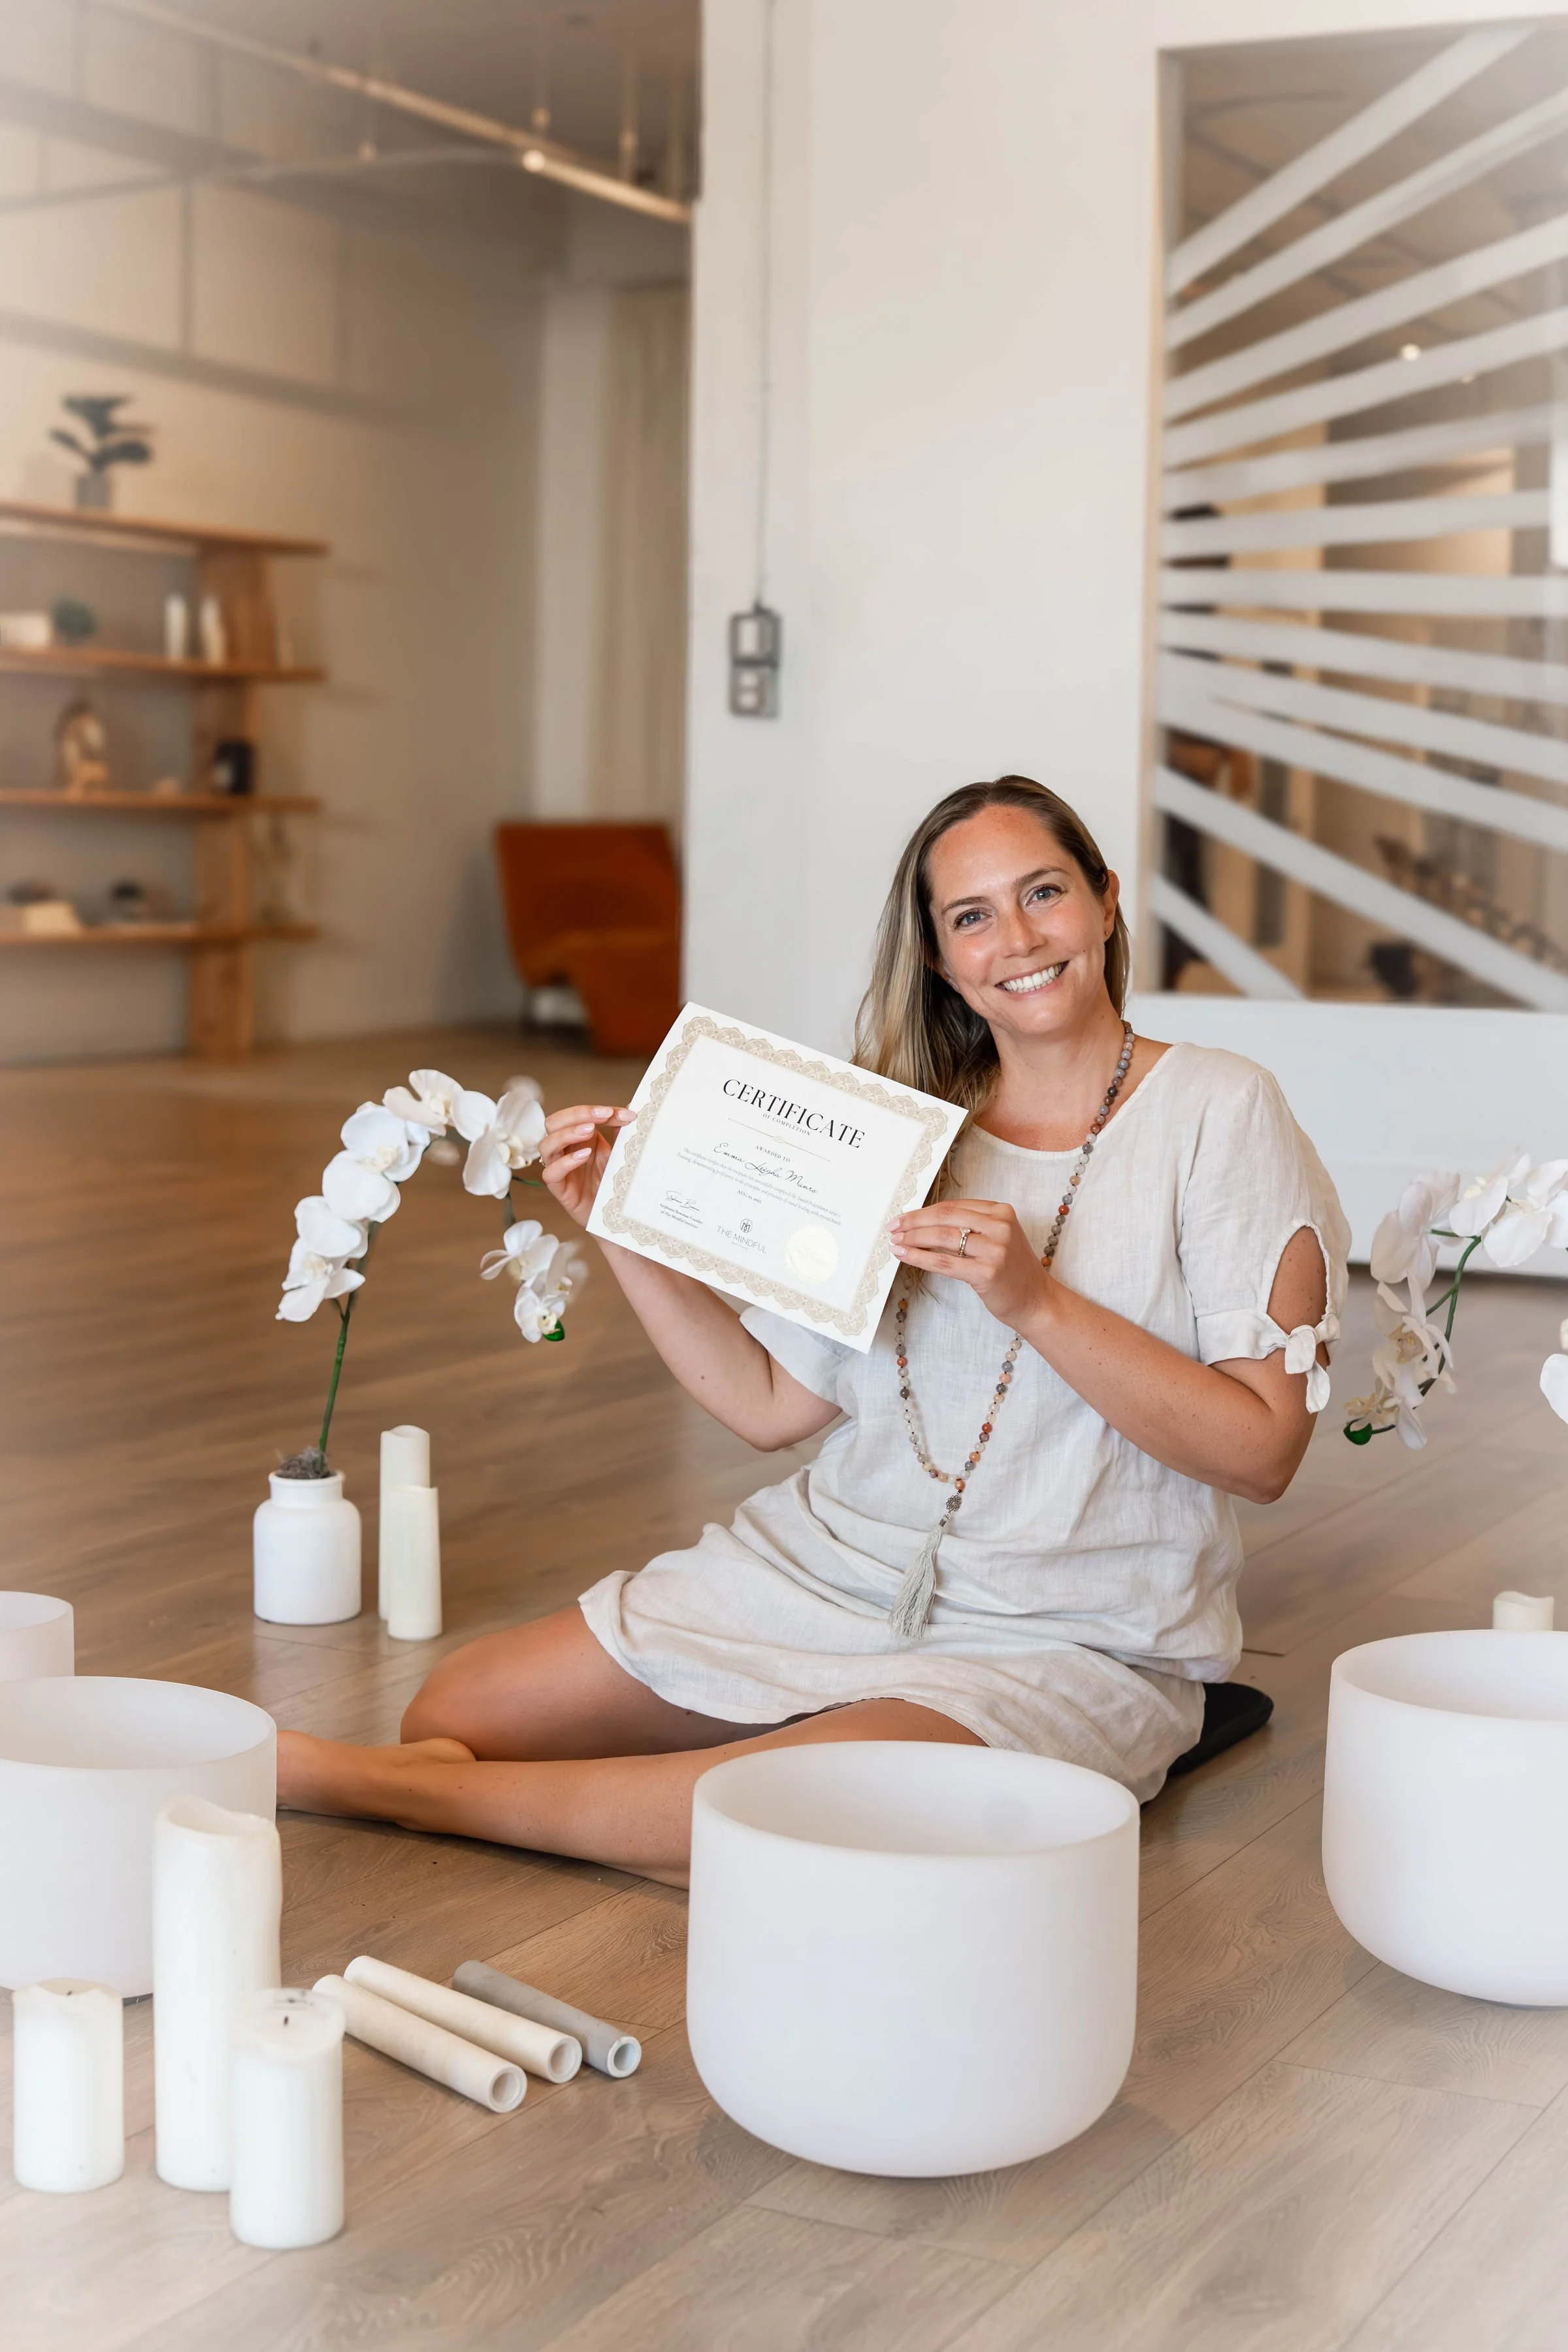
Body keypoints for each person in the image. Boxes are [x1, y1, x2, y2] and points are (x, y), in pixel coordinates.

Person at [278, 776, 1348, 1886]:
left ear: (1106, 902)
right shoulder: (904, 1132)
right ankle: (771, 1752)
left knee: (778, 1824)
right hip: (838, 1568)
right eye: (972, 917)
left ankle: (393, 1791)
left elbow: (1263, 1451)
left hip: (1071, 1632)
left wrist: (1036, 1301)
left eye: (1045, 894)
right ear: (939, 958)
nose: (1018, 939)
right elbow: (766, 1405)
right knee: (458, 1706)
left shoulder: (1223, 1110)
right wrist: (617, 1229)